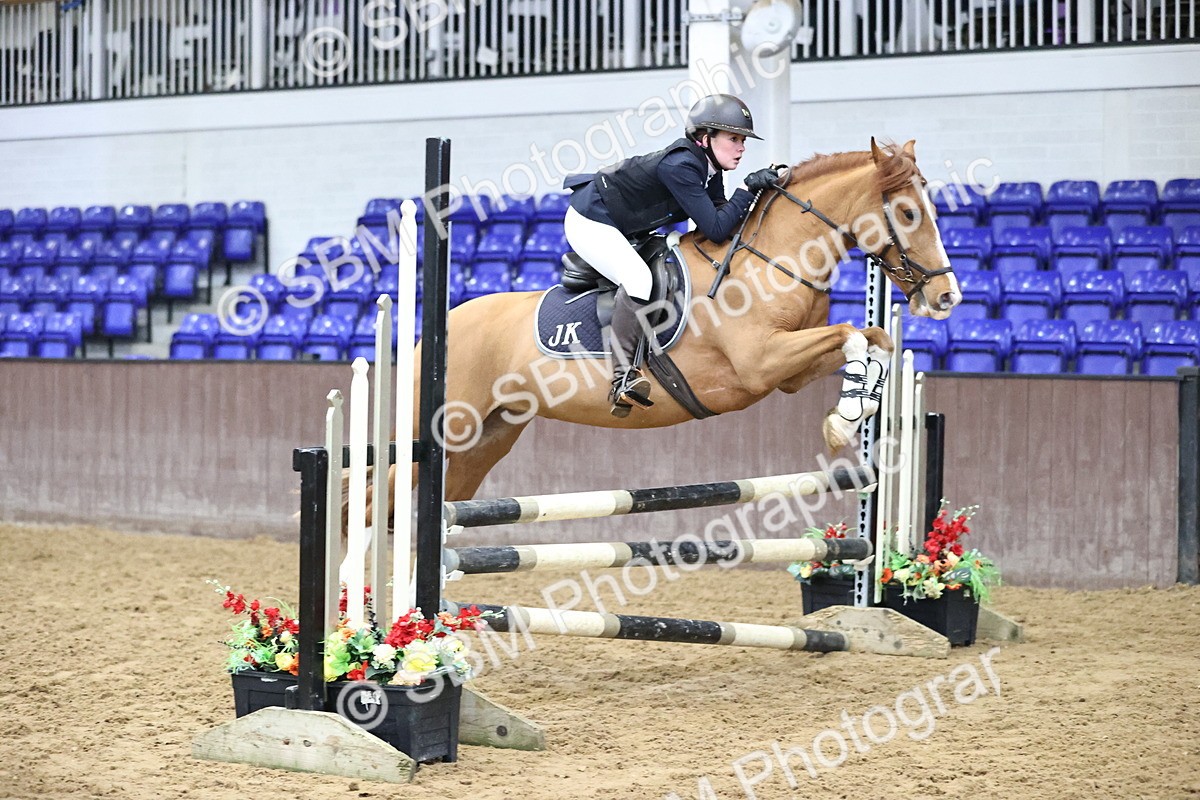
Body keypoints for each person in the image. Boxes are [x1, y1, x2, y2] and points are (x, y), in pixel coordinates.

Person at [562, 94, 780, 418]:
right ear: (705, 138)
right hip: (590, 219)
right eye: (734, 139)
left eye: (743, 140)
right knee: (638, 278)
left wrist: (760, 198)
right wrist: (747, 190)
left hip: (622, 224)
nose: (742, 147)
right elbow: (716, 228)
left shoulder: (709, 169)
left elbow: (721, 218)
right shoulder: (681, 166)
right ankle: (623, 378)